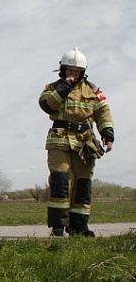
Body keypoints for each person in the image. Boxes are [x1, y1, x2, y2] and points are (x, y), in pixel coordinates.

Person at [39, 48, 114, 237]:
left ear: (83, 71)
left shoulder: (94, 90)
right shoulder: (52, 87)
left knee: (83, 183)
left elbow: (103, 113)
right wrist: (64, 87)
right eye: (69, 70)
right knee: (61, 180)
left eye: (76, 70)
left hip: (84, 142)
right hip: (60, 140)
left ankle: (79, 226)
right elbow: (46, 105)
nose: (73, 73)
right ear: (62, 70)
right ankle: (58, 225)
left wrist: (107, 133)